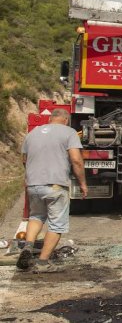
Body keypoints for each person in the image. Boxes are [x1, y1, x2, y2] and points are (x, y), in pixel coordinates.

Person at [18, 108, 87, 273]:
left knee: (36, 216)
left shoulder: (33, 133)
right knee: (57, 224)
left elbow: (24, 159)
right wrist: (83, 183)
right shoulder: (69, 132)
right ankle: (43, 262)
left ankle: (28, 247)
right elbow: (76, 160)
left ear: (50, 119)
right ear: (66, 120)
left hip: (33, 184)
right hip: (55, 185)